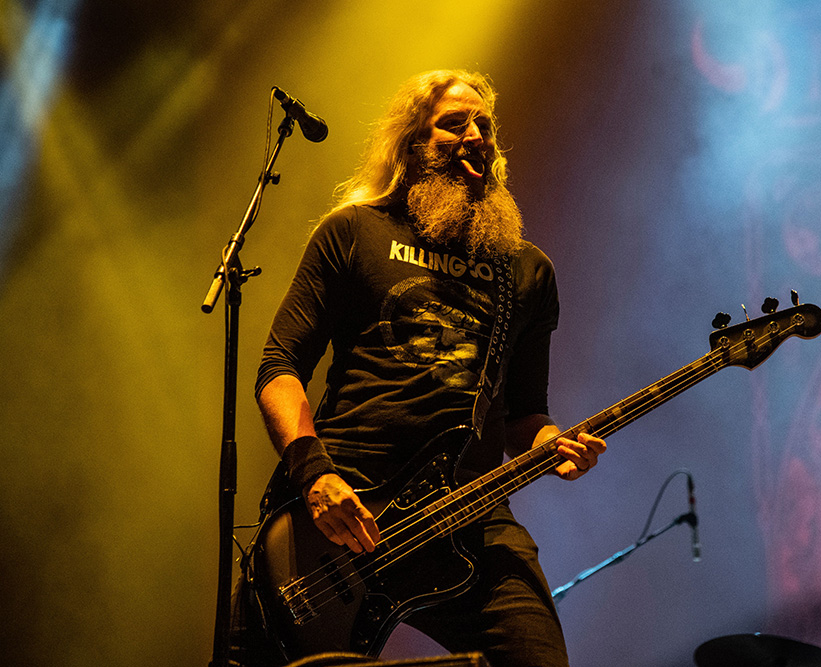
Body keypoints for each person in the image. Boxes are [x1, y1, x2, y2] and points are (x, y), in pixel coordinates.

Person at [232, 69, 606, 667]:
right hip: (345, 509)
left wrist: (552, 444)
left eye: (484, 125)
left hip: (471, 515)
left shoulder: (527, 272)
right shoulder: (354, 232)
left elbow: (524, 416)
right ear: (412, 146)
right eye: (454, 124)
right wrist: (315, 476)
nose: (475, 135)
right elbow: (279, 367)